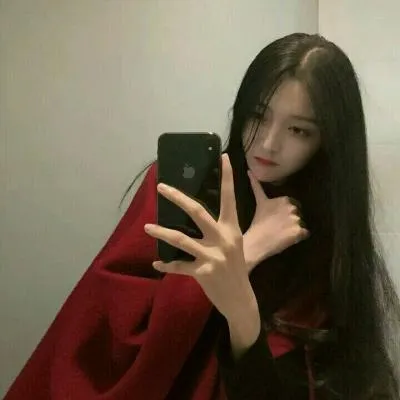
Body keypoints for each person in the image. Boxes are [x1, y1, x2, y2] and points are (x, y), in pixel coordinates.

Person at [5, 33, 400, 400]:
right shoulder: (182, 189)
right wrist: (248, 250)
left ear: (328, 141)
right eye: (258, 115)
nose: (268, 143)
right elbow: (106, 332)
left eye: (298, 130)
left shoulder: (322, 232)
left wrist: (240, 307)